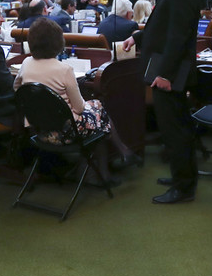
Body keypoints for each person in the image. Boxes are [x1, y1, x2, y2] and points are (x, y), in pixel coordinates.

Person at [120, 0, 204, 204]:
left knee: (176, 129)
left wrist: (165, 74)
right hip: (169, 69)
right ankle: (181, 175)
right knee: (174, 128)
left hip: (172, 73)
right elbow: (161, 27)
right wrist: (137, 37)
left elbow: (177, 38)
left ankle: (184, 187)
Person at [15, 18, 138, 170]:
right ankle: (113, 158)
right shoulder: (64, 69)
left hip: (39, 131)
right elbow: (79, 109)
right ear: (58, 41)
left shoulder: (26, 63)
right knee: (99, 110)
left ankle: (101, 166)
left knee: (98, 117)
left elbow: (18, 90)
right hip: (65, 133)